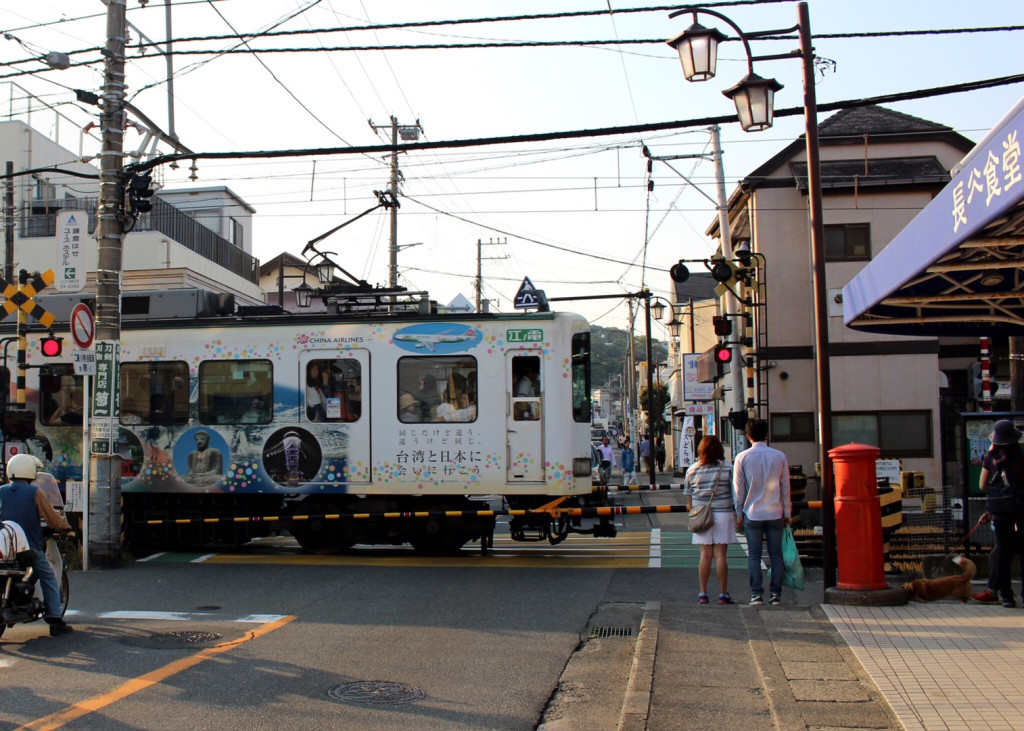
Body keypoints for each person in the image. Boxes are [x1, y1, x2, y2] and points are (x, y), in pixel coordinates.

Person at [0, 453, 73, 636]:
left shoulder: (1, 491)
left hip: (3, 548)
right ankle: (55, 620)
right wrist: (65, 527)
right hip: (28, 547)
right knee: (47, 575)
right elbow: (51, 517)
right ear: (30, 472)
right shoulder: (35, 492)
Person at [733, 417, 791, 606]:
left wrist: (739, 514)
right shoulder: (780, 456)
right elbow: (785, 487)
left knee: (754, 555)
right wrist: (787, 512)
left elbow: (738, 490)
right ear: (766, 434)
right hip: (775, 512)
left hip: (753, 512)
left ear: (748, 436)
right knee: (776, 555)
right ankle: (776, 594)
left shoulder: (742, 458)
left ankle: (756, 594)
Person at [977, 419, 1024, 608]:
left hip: (1000, 510)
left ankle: (1006, 596)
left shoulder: (990, 457)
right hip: (1021, 509)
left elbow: (982, 485)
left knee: (1002, 551)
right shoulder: (1021, 457)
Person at [685, 435, 737, 604]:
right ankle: (723, 594)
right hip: (723, 513)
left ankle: (703, 593)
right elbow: (735, 493)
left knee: (705, 554)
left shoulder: (692, 469)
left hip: (701, 515)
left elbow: (689, 499)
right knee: (720, 555)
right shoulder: (728, 467)